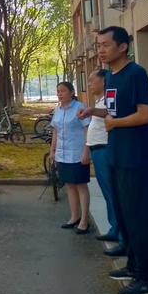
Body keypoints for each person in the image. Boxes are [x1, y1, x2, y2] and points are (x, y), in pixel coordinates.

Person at [78, 26, 148, 294]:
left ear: (123, 46)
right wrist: (95, 111)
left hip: (136, 157)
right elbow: (113, 112)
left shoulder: (136, 73)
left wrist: (115, 123)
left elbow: (144, 115)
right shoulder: (112, 77)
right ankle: (134, 267)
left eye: (106, 45)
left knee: (140, 218)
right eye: (99, 45)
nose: (100, 50)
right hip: (117, 154)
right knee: (125, 215)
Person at [86, 69, 126, 257]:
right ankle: (114, 229)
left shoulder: (109, 101)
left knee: (113, 193)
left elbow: (110, 114)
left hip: (105, 149)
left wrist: (92, 111)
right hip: (97, 150)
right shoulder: (100, 100)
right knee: (107, 193)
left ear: (103, 81)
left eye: (92, 80)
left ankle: (122, 238)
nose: (89, 84)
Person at [50, 82, 91, 234]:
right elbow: (55, 132)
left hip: (77, 153)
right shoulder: (57, 110)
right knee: (69, 185)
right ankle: (75, 216)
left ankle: (85, 220)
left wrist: (86, 151)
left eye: (63, 91)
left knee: (81, 185)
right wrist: (52, 150)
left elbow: (87, 130)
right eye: (58, 91)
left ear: (71, 92)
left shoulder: (80, 108)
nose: (59, 94)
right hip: (63, 154)